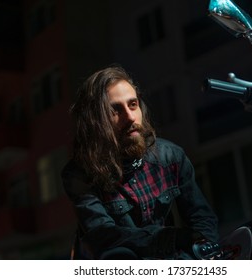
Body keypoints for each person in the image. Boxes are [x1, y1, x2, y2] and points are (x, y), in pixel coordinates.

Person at [61, 65, 220, 259]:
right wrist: (173, 238)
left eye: (133, 104)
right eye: (115, 110)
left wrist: (196, 255)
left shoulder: (171, 157)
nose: (130, 117)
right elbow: (103, 235)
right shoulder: (79, 175)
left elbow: (202, 220)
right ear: (94, 121)